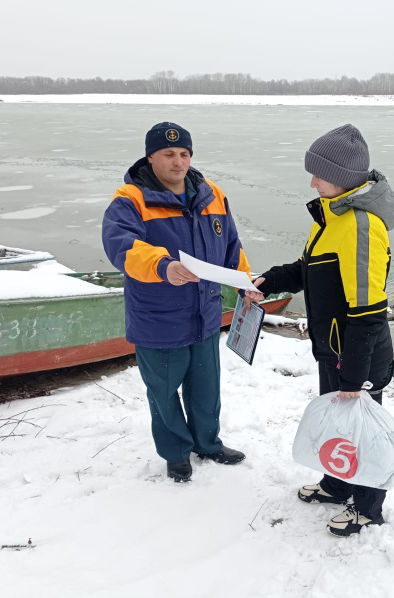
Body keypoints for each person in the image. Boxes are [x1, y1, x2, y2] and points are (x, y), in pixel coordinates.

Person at [249, 124, 394, 537]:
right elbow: (309, 270)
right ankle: (336, 483)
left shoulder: (362, 225)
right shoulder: (332, 216)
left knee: (362, 431)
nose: (312, 182)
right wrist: (271, 279)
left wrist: (354, 375)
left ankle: (368, 507)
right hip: (333, 348)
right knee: (337, 425)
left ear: (346, 178)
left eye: (320, 175)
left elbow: (369, 311)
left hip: (357, 354)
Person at [102, 122, 262, 483]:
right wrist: (163, 266)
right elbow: (121, 246)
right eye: (169, 154)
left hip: (204, 314)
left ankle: (208, 443)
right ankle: (175, 453)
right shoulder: (130, 200)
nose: (178, 162)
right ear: (151, 157)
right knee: (163, 390)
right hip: (159, 317)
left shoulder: (212, 195)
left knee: (206, 386)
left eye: (184, 154)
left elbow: (231, 246)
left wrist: (244, 283)